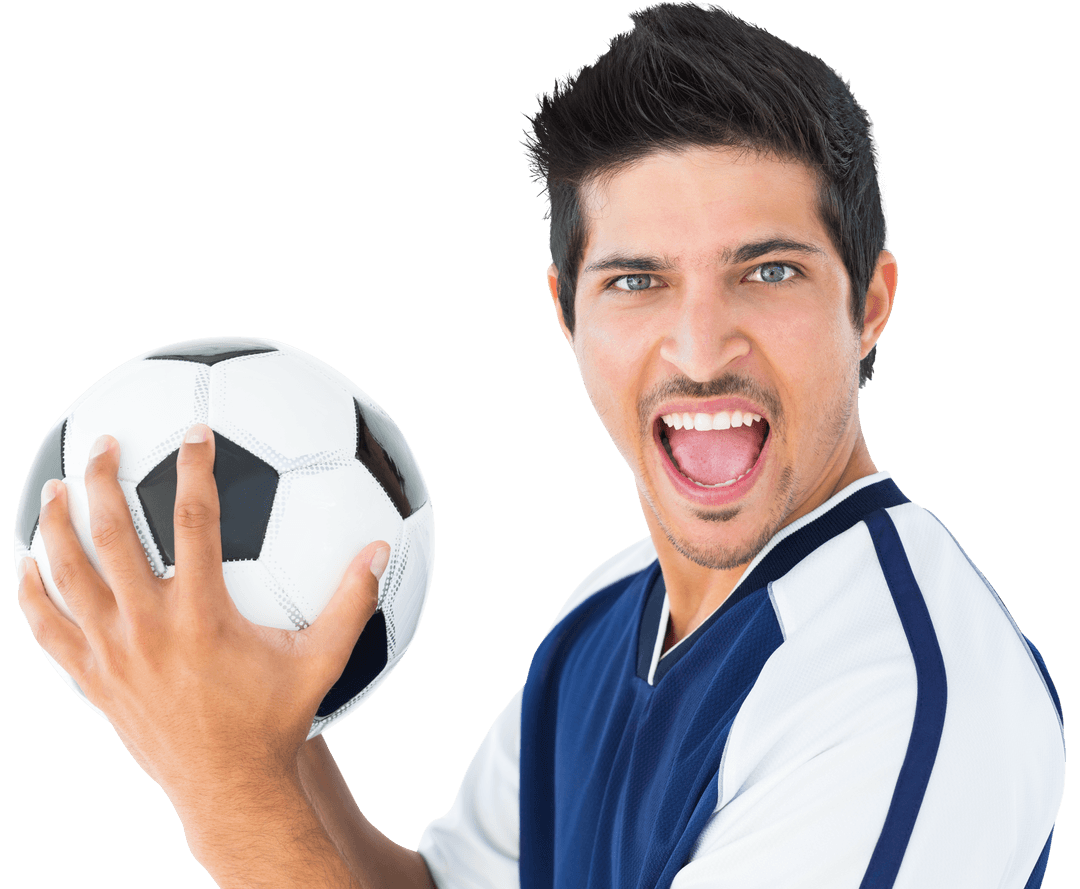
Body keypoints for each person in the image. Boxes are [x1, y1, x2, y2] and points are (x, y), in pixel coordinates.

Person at [17, 3, 1065, 887]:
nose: (700, 347)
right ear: (568, 315)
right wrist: (257, 721)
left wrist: (226, 784)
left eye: (770, 271)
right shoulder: (612, 608)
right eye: (637, 281)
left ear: (871, 304)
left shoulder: (904, 697)